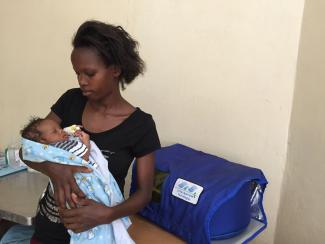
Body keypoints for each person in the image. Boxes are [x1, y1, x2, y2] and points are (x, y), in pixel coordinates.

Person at [1, 20, 160, 244]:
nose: (82, 82)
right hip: (48, 231)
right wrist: (55, 169)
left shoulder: (141, 126)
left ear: (115, 69)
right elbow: (29, 150)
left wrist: (107, 215)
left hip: (97, 232)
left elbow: (144, 193)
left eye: (89, 73)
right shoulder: (71, 101)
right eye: (77, 74)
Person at [20, 117, 135, 243]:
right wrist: (86, 141)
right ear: (42, 140)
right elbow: (83, 158)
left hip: (79, 215)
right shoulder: (61, 145)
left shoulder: (50, 148)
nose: (61, 132)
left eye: (60, 129)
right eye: (55, 132)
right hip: (51, 229)